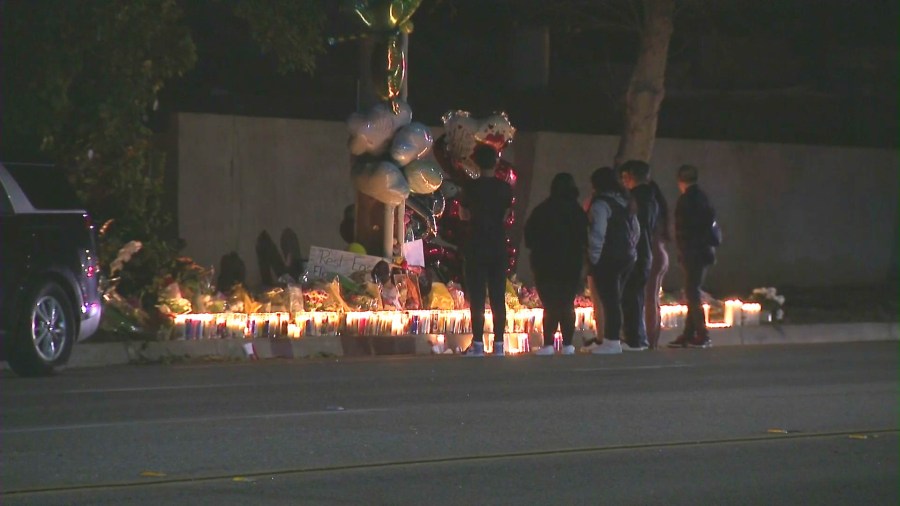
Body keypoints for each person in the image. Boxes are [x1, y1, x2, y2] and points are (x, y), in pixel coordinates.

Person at [524, 172, 588, 356]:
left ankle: (549, 344)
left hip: (545, 264)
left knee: (550, 305)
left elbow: (529, 237)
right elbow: (585, 238)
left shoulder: (542, 210)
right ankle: (568, 343)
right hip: (571, 264)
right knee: (567, 304)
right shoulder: (577, 212)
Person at [459, 144, 514, 356]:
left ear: (476, 163)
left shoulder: (470, 187)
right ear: (496, 162)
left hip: (476, 243)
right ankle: (499, 343)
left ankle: (478, 343)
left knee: (478, 295)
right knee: (498, 295)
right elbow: (505, 216)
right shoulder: (505, 189)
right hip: (498, 244)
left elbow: (464, 215)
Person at [582, 167, 638, 355]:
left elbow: (598, 232)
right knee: (615, 299)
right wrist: (631, 248)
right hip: (627, 256)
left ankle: (611, 341)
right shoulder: (625, 201)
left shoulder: (601, 204)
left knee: (609, 300)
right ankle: (611, 339)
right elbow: (635, 228)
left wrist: (594, 256)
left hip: (608, 258)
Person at [668, 164, 718, 348]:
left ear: (680, 181)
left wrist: (682, 251)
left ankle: (702, 334)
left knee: (692, 292)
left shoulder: (686, 200)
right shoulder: (702, 197)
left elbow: (684, 230)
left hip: (693, 252)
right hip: (704, 251)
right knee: (692, 291)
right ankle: (689, 333)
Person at [619, 160, 658, 351]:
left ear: (629, 177)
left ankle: (634, 338)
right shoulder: (652, 198)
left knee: (631, 296)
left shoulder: (633, 199)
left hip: (635, 252)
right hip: (646, 251)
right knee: (637, 296)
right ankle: (638, 337)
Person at [645, 179, 671, 349]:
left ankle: (650, 339)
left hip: (653, 254)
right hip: (661, 254)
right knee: (653, 299)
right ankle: (653, 339)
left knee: (648, 299)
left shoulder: (650, 210)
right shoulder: (661, 212)